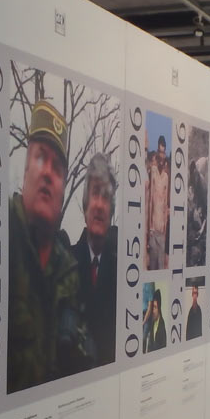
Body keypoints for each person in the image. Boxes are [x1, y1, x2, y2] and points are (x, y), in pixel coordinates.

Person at [7, 99, 93, 393]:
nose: (47, 173)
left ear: (64, 187)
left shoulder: (67, 268)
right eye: (40, 158)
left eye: (57, 168)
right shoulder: (1, 237)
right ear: (26, 169)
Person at [71, 153, 117, 366]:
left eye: (106, 197)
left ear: (112, 210)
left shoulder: (123, 272)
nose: (99, 205)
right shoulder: (64, 266)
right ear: (85, 203)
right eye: (95, 193)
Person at [146, 136, 169, 270]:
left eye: (163, 152)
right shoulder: (153, 172)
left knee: (161, 268)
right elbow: (150, 201)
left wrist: (165, 231)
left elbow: (165, 203)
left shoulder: (166, 177)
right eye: (160, 152)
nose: (161, 156)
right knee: (152, 267)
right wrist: (150, 227)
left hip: (162, 231)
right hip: (153, 229)